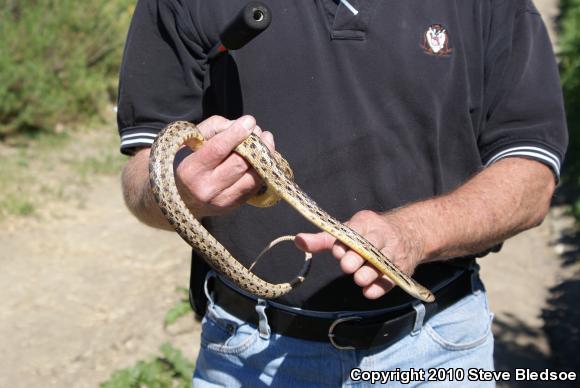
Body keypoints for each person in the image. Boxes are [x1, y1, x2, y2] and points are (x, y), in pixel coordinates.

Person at [118, 0, 568, 386]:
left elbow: (532, 178)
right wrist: (180, 191)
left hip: (438, 349)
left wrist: (416, 233)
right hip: (248, 354)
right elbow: (141, 172)